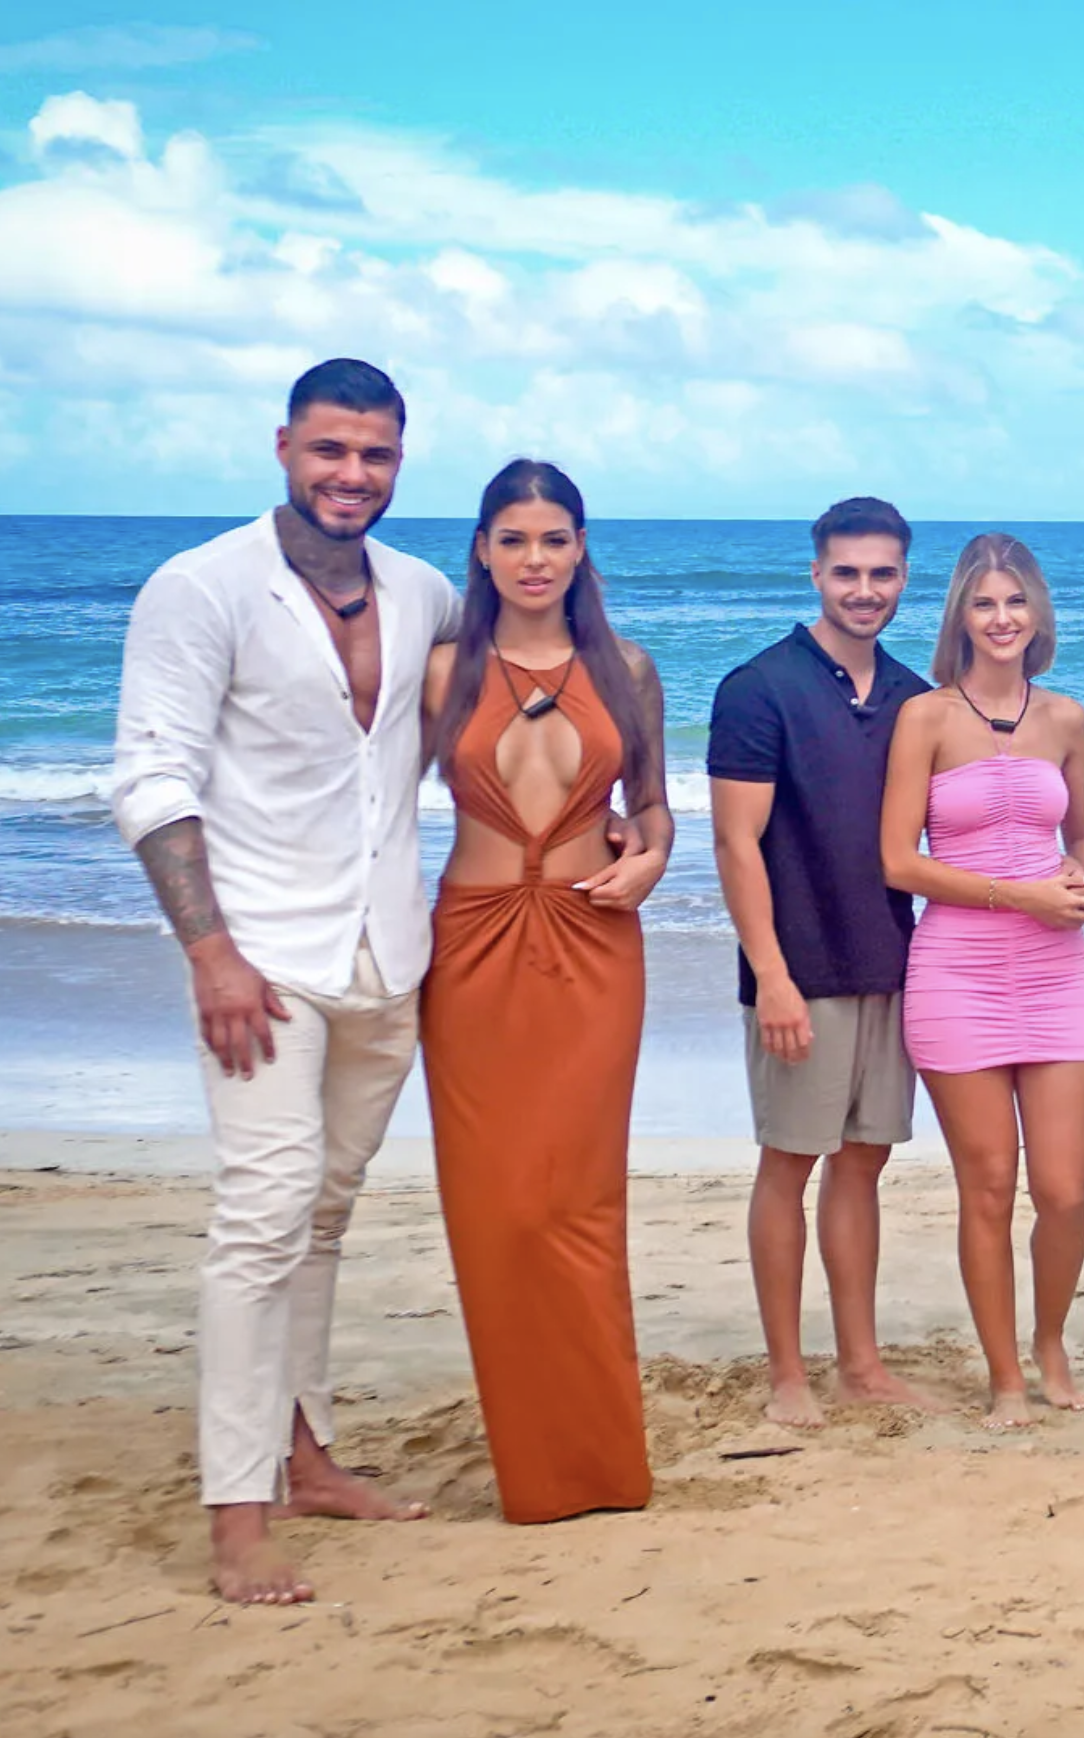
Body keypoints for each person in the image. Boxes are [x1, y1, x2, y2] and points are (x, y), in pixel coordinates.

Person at [111, 359, 446, 1602]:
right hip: (259, 959)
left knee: (328, 1209)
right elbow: (151, 777)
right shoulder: (201, 587)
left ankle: (305, 1455)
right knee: (262, 1217)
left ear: (399, 461)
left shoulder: (420, 592)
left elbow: (549, 647)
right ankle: (237, 1515)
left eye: (374, 454)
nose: (350, 474)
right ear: (283, 448)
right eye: (329, 450)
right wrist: (208, 949)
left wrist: (645, 808)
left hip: (387, 952)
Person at [419, 459, 670, 1522]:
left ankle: (597, 1469)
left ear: (580, 550)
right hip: (470, 947)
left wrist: (650, 856)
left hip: (592, 944)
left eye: (553, 539)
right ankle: (531, 1464)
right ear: (481, 549)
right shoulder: (434, 673)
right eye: (513, 539)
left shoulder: (627, 667)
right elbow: (349, 807)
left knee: (577, 1202)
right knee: (497, 1211)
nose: (533, 559)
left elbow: (654, 809)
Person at [709, 498, 939, 1426]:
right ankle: (787, 1376)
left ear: (903, 579)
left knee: (861, 1166)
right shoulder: (757, 688)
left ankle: (861, 1364)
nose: (864, 590)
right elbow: (735, 843)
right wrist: (770, 976)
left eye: (882, 574)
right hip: (798, 974)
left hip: (891, 963)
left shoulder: (915, 695)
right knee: (789, 1165)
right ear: (816, 573)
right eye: (847, 572)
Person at [883, 534, 1084, 1425]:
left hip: (1056, 973)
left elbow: (1083, 834)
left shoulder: (1066, 719)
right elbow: (898, 860)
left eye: (1016, 602)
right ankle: (1005, 1375)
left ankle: (1050, 1342)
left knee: (1065, 1190)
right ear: (961, 618)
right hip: (956, 974)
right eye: (984, 604)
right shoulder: (926, 718)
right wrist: (1016, 895)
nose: (1002, 618)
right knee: (987, 1185)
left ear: (1038, 613)